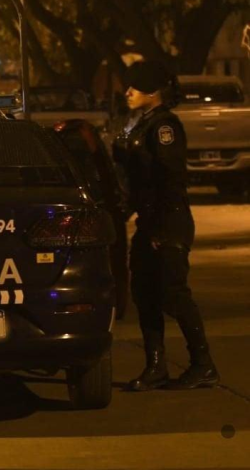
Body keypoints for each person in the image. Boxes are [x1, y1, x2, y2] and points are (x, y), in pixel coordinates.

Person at [113, 61, 219, 391]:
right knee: (144, 294)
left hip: (168, 222)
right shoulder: (140, 124)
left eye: (135, 86)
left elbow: (169, 179)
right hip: (148, 222)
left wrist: (160, 229)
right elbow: (136, 181)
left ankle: (203, 364)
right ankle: (156, 366)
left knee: (173, 294)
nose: (128, 92)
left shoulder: (164, 127)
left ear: (152, 90)